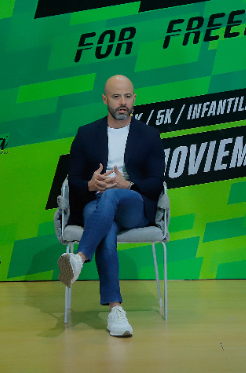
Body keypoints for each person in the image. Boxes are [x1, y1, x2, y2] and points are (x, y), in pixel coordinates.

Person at [57, 75, 165, 337]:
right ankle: (116, 310)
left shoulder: (149, 135)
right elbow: (74, 180)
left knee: (112, 196)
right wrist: (91, 185)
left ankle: (80, 258)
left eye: (127, 96)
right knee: (105, 226)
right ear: (105, 100)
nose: (123, 102)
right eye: (116, 97)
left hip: (133, 205)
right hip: (97, 205)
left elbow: (156, 182)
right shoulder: (86, 134)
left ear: (134, 99)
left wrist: (127, 185)